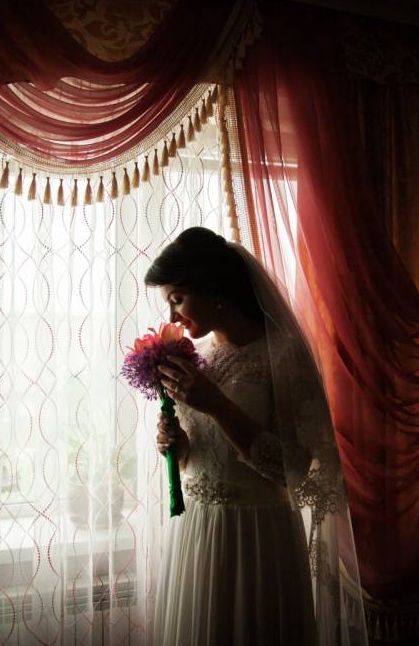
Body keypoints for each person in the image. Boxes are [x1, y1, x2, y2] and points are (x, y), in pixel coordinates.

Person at [145, 227, 367, 645]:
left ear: (212, 287)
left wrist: (217, 405)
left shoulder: (282, 355)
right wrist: (179, 445)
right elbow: (206, 456)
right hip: (198, 530)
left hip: (256, 539)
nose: (172, 317)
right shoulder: (202, 360)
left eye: (177, 298)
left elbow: (294, 470)